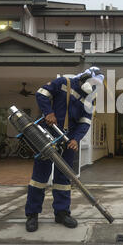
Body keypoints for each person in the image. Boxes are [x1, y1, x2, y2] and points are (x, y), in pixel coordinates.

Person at [25, 67, 104, 232]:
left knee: (64, 179)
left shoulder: (89, 99)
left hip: (68, 141)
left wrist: (76, 139)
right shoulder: (63, 82)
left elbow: (85, 121)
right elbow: (42, 93)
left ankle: (61, 213)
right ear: (85, 77)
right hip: (48, 136)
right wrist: (48, 112)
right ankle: (32, 215)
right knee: (39, 177)